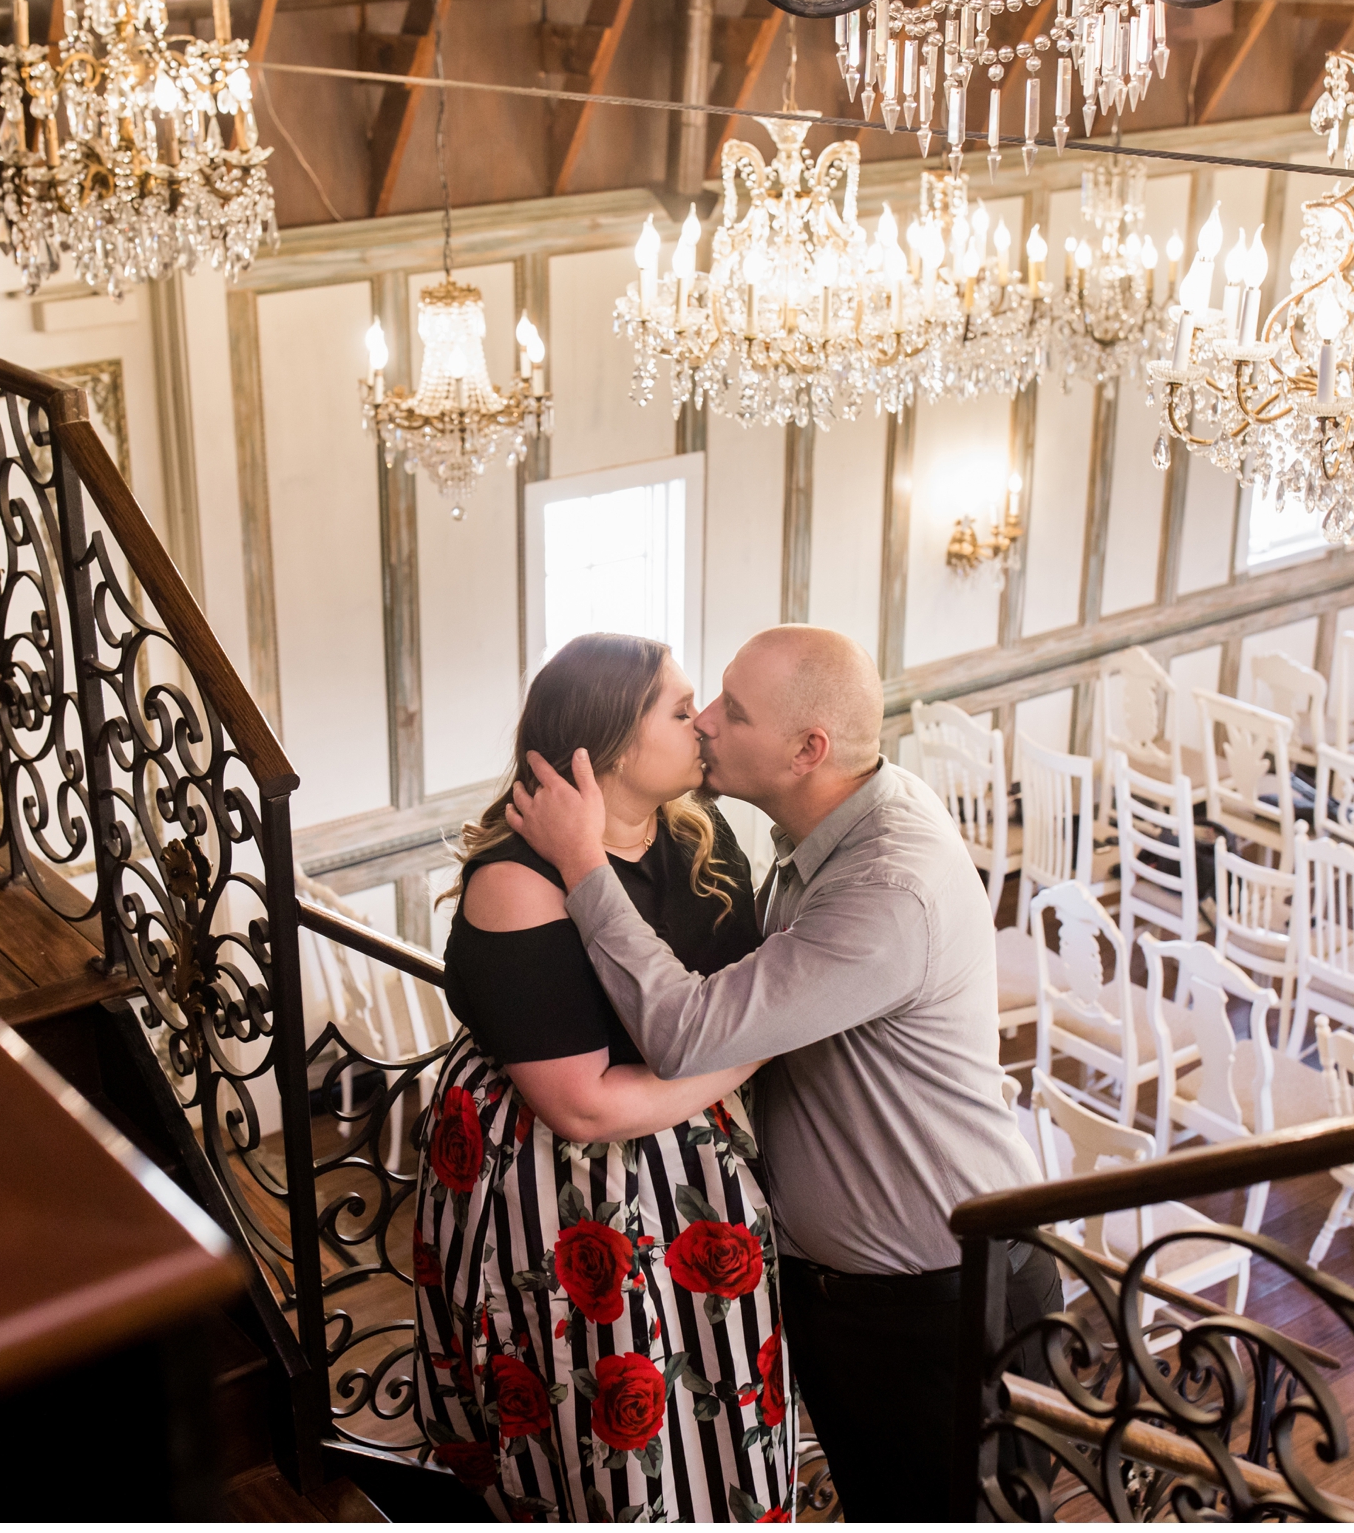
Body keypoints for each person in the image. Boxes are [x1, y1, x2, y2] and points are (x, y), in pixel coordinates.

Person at [506, 623, 1057, 1521]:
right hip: (857, 1297)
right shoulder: (831, 825)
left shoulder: (887, 887)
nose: (707, 720)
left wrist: (581, 861)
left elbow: (688, 1033)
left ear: (809, 749)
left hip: (940, 1305)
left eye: (734, 710)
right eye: (707, 697)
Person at [411, 634, 798, 1524]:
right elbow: (580, 1105)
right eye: (679, 707)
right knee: (605, 1399)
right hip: (564, 1188)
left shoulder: (703, 835)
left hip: (694, 1161)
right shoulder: (515, 881)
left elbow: (731, 993)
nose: (703, 723)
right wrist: (756, 1047)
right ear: (611, 744)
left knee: (718, 1382)